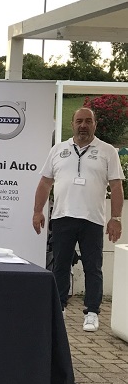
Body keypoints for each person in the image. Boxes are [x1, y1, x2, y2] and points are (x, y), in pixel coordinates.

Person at [33, 107, 124, 332]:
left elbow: (116, 186)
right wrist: (37, 211)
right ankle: (59, 307)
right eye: (79, 121)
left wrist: (116, 218)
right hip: (62, 217)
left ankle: (92, 312)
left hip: (92, 219)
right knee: (60, 265)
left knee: (93, 268)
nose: (83, 125)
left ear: (95, 124)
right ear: (72, 124)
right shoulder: (58, 150)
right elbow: (45, 182)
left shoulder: (108, 151)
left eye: (88, 121)